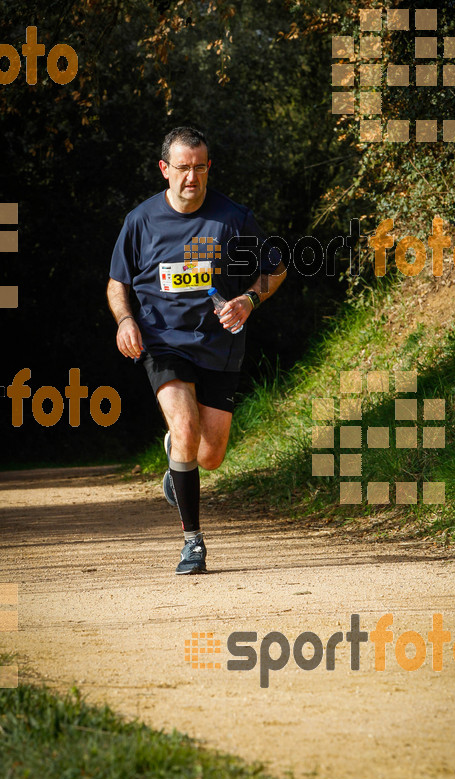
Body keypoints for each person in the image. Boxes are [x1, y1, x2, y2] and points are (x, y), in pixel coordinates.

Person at [107, 126, 286, 575]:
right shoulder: (140, 221)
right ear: (165, 170)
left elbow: (276, 269)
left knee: (211, 455)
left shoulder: (233, 219)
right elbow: (117, 283)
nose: (192, 177)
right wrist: (127, 320)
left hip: (219, 346)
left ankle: (177, 461)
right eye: (183, 168)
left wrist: (249, 299)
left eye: (200, 167)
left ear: (209, 168)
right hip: (163, 341)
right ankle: (193, 543)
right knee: (186, 428)